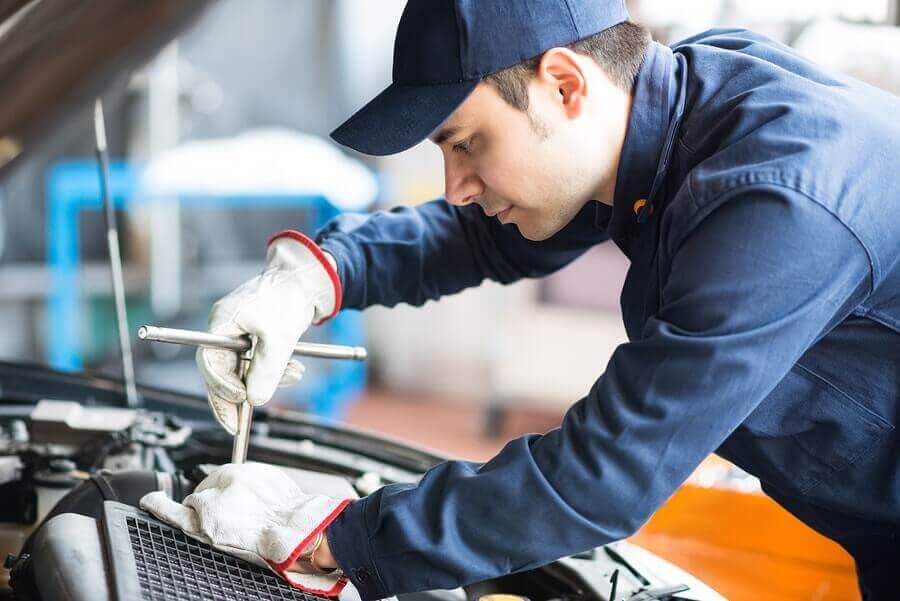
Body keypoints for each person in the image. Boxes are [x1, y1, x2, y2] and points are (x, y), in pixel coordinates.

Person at [142, 1, 900, 599]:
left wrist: (334, 536)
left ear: (566, 84)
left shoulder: (775, 198)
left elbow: (602, 474)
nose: (457, 186)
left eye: (466, 142)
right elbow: (480, 237)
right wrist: (312, 276)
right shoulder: (676, 104)